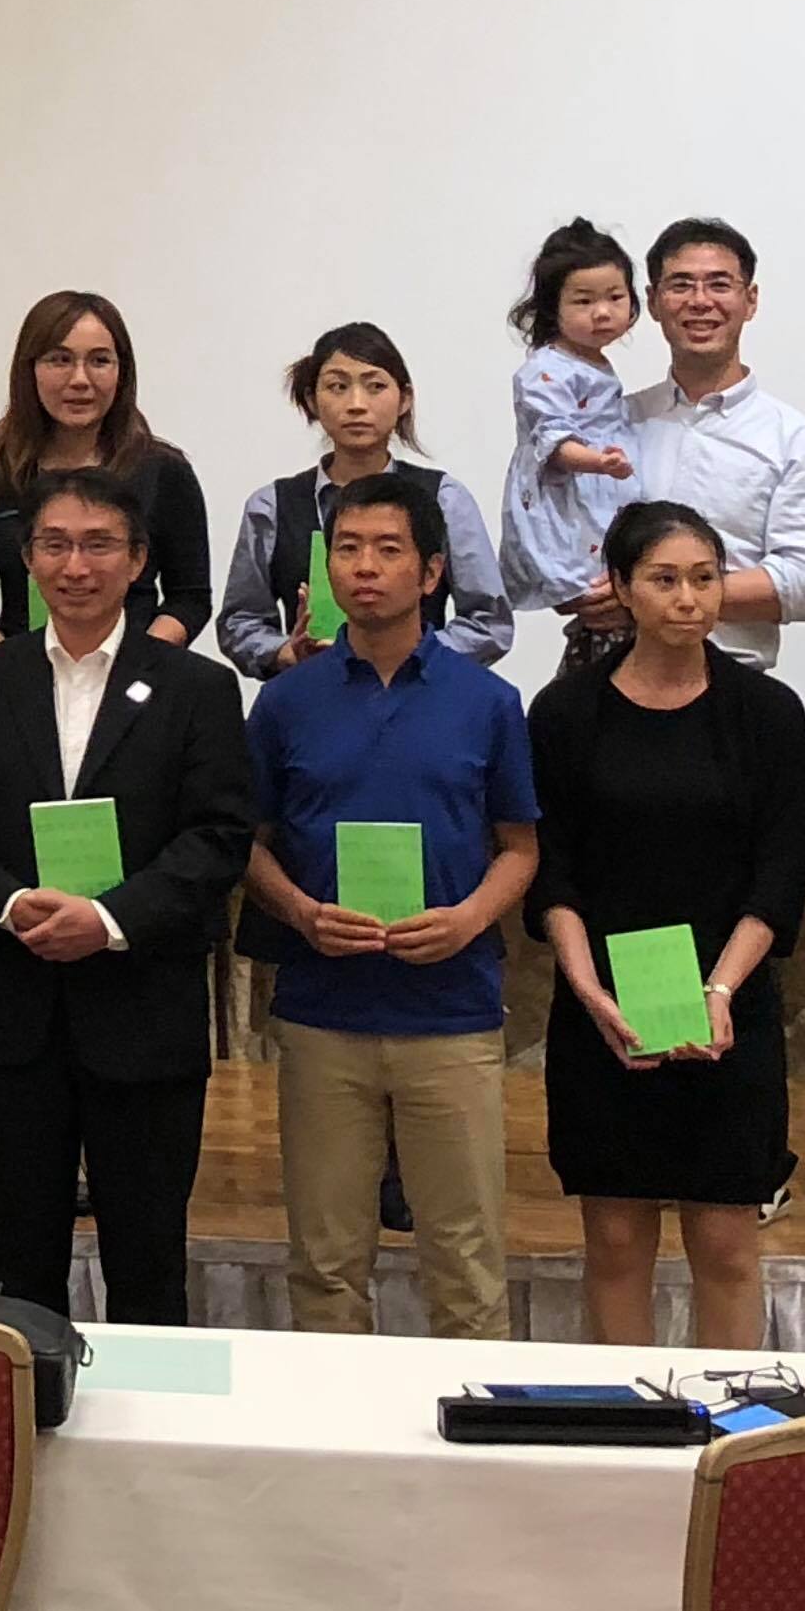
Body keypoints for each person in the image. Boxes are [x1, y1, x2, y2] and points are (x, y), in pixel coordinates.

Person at [0, 467, 253, 1323]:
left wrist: (109, 919)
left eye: (99, 545)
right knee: (13, 1264)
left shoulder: (197, 687)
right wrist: (9, 904)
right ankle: (32, 1408)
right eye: (56, 545)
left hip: (143, 1004)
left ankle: (145, 1415)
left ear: (138, 560)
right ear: (28, 558)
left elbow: (218, 836)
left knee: (149, 1260)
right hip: (12, 1002)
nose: (77, 566)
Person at [242, 471, 540, 1339]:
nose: (365, 568)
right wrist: (300, 912)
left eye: (387, 550)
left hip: (451, 1015)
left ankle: (466, 1423)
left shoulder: (488, 702)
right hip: (323, 1013)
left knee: (466, 1263)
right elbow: (247, 845)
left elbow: (521, 849)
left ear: (433, 571)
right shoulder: (285, 701)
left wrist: (468, 920)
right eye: (347, 549)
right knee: (326, 1262)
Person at [531, 504, 805, 1344]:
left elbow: (780, 870)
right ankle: (631, 1413)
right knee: (616, 1241)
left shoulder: (766, 711)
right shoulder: (566, 712)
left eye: (704, 578)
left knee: (725, 1243)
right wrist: (590, 991)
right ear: (621, 589)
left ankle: (727, 1416)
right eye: (664, 579)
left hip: (729, 1005)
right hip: (602, 1009)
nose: (688, 599)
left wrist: (719, 990)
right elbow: (554, 870)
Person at [567, 220, 805, 674]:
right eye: (680, 285)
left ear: (750, 300)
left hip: (731, 680)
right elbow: (571, 543)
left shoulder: (793, 439)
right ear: (653, 302)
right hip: (608, 673)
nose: (699, 301)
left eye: (719, 284)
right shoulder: (613, 423)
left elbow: (804, 583)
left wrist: (650, 598)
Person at [217, 323, 515, 681]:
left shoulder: (443, 498)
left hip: (420, 692)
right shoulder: (271, 506)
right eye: (338, 387)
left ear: (404, 399)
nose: (356, 405)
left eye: (375, 386)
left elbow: (489, 622)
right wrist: (284, 653)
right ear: (312, 399)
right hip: (311, 694)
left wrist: (408, 657)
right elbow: (239, 621)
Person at [0, 289, 215, 652]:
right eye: (60, 360)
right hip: (18, 672)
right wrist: (6, 668)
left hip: (135, 671)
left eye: (99, 361)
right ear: (30, 369)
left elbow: (189, 598)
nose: (80, 379)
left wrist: (135, 662)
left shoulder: (164, 471)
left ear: (122, 371)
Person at [498, 219, 643, 629]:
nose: (602, 312)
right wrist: (598, 462)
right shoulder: (546, 369)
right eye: (583, 301)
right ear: (552, 308)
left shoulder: (592, 362)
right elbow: (553, 439)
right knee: (584, 570)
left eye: (615, 297)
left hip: (598, 478)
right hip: (568, 484)